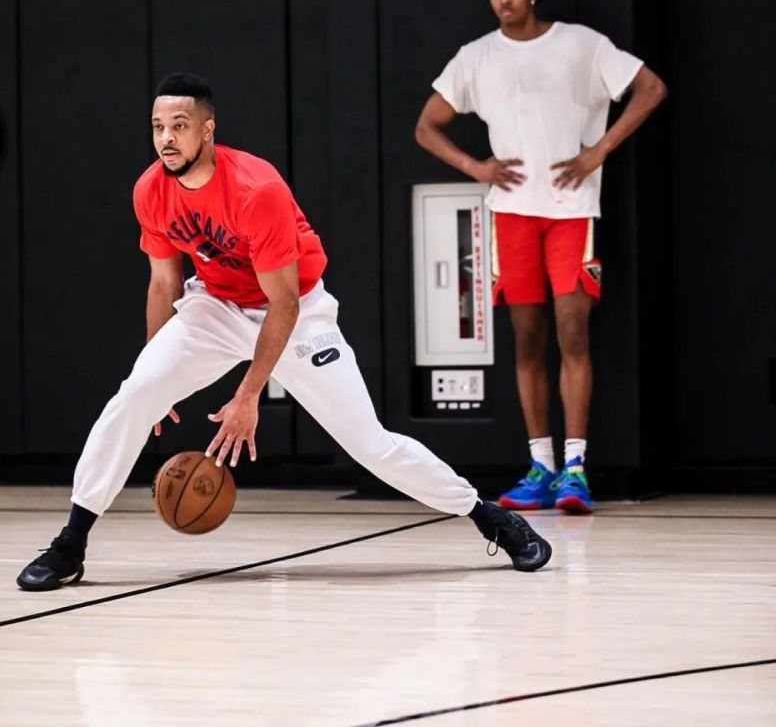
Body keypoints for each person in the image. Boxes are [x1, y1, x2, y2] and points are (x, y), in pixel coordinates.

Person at [17, 73, 551, 591]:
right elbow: (163, 283)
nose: (165, 139)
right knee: (134, 395)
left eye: (178, 126)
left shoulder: (256, 189)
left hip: (295, 313)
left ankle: (488, 516)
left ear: (207, 130)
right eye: (157, 127)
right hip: (217, 306)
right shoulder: (150, 191)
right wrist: (158, 376)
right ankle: (71, 543)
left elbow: (285, 302)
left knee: (371, 445)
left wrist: (249, 394)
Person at [415, 0, 667, 513]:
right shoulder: (476, 56)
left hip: (572, 211)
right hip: (512, 214)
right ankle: (541, 465)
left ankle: (576, 468)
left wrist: (599, 150)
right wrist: (476, 167)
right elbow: (427, 126)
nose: (504, 1)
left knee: (572, 333)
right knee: (527, 339)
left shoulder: (581, 44)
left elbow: (650, 87)